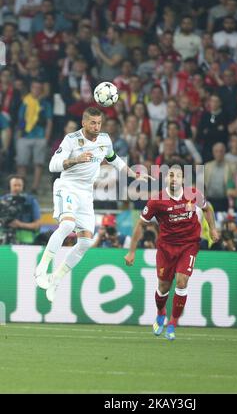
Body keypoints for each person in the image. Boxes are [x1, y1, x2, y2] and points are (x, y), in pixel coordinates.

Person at [35, 107, 153, 302]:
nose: (97, 127)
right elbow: (52, 165)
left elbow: (114, 160)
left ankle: (56, 278)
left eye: (99, 123)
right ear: (84, 123)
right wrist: (75, 160)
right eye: (93, 123)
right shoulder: (71, 139)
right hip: (68, 186)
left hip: (86, 193)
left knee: (86, 241)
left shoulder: (105, 140)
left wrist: (134, 174)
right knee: (67, 224)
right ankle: (42, 267)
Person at [125, 164, 219, 341]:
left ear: (183, 179)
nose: (174, 178)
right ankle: (161, 313)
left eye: (177, 175)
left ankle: (172, 324)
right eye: (170, 175)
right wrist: (132, 252)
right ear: (166, 179)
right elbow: (141, 224)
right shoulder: (156, 201)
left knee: (182, 282)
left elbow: (207, 209)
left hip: (189, 245)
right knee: (163, 287)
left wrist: (213, 229)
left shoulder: (193, 194)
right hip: (166, 247)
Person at [0, 175, 41, 245]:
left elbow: (37, 224)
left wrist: (20, 224)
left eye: (19, 185)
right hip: (3, 239)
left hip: (27, 242)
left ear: (23, 186)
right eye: (14, 185)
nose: (17, 188)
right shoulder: (2, 201)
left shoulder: (31, 201)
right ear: (9, 186)